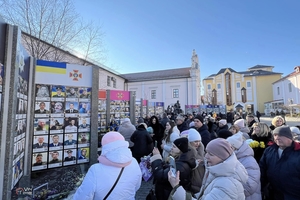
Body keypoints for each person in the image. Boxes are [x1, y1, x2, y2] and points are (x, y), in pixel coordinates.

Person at [168, 138, 248, 200]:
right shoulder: (216, 171)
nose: (206, 156)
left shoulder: (226, 184)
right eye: (206, 152)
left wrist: (176, 188)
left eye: (211, 154)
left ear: (222, 157)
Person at [73, 132, 142, 200]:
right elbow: (137, 186)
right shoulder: (134, 162)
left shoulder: (96, 170)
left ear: (105, 147)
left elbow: (83, 196)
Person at [260, 126, 300, 199]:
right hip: (272, 194)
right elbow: (262, 170)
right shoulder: (269, 150)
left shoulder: (298, 152)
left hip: (293, 195)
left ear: (289, 137)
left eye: (280, 135)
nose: (277, 138)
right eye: (275, 135)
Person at [227, 134, 262, 200]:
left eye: (228, 147)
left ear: (235, 147)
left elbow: (249, 187)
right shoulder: (232, 158)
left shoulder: (249, 162)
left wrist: (226, 186)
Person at [187, 128, 206, 194]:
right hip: (193, 181)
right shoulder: (189, 153)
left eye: (199, 141)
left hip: (202, 179)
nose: (197, 143)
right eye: (195, 141)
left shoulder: (201, 151)